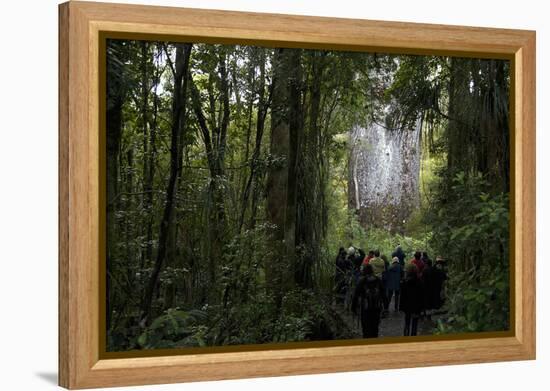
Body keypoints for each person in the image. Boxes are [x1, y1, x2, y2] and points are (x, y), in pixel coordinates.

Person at [352, 264, 384, 338]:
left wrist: (353, 308)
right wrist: (385, 307)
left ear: (364, 271)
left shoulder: (362, 281)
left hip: (366, 308)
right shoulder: (378, 280)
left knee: (366, 329)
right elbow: (383, 294)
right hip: (376, 308)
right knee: (375, 328)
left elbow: (356, 295)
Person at [399, 263, 425, 336]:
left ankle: (406, 337)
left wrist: (401, 307)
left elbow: (402, 296)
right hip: (416, 307)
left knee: (407, 323)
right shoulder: (420, 282)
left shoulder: (405, 282)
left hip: (407, 306)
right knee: (414, 324)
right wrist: (422, 307)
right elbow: (422, 296)